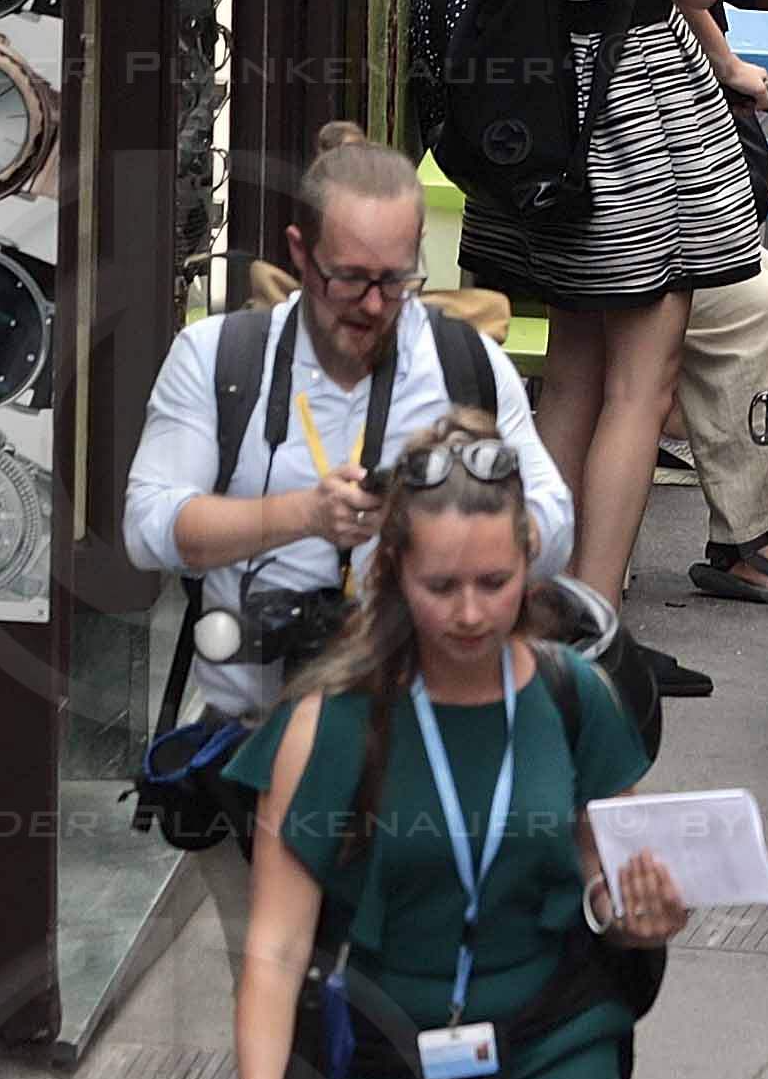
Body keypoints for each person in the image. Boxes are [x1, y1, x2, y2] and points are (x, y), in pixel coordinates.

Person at [224, 436, 686, 1079]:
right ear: (395, 570)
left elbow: (603, 877)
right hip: (377, 1050)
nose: (470, 613)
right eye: (442, 587)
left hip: (553, 1039)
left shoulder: (572, 696)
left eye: (494, 583)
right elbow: (274, 953)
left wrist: (636, 916)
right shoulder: (329, 725)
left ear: (529, 566)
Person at [445, 0, 768, 613]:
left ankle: (535, 600)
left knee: (574, 379)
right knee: (644, 380)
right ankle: (594, 614)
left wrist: (720, 57)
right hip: (628, 131)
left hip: (560, 115)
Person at [128, 138, 573, 733]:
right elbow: (148, 529)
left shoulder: (465, 362)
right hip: (254, 717)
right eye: (349, 279)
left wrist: (451, 530)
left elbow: (557, 520)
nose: (372, 306)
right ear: (300, 254)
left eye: (394, 282)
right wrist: (302, 516)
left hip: (430, 713)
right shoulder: (219, 357)